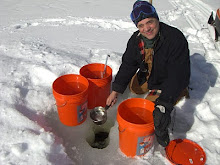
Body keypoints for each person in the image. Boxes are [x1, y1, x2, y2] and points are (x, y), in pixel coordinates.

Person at [106, 0, 190, 147]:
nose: (147, 28)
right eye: (141, 25)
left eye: (150, 22)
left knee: (152, 114)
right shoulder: (136, 39)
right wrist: (116, 90)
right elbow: (128, 64)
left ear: (157, 19)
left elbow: (178, 75)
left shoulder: (175, 38)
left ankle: (178, 93)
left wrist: (164, 103)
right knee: (134, 88)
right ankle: (152, 88)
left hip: (168, 80)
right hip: (150, 75)